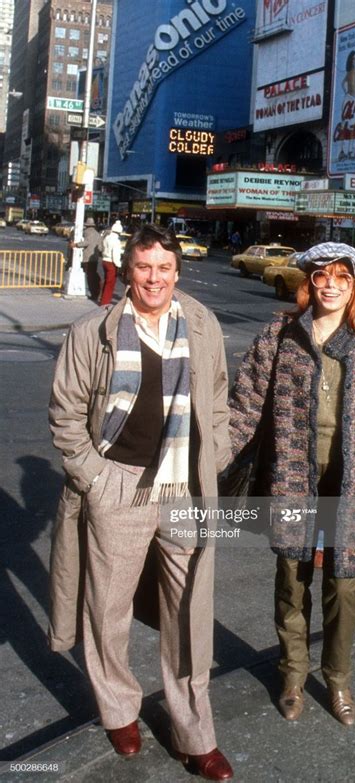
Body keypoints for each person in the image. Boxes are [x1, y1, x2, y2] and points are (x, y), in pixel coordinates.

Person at [49, 225, 234, 780]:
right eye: (144, 268)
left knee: (189, 615)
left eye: (164, 268)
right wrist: (95, 478)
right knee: (107, 608)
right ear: (128, 271)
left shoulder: (201, 323)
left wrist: (215, 454)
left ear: (177, 272)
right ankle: (119, 709)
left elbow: (219, 396)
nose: (154, 278)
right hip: (118, 485)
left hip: (185, 485)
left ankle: (195, 735)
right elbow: (66, 413)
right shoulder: (92, 331)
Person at [228, 242, 355, 726]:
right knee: (292, 584)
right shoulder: (280, 335)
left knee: (345, 590)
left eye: (340, 278)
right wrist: (208, 457)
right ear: (307, 283)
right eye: (320, 277)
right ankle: (292, 675)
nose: (329, 285)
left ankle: (338, 679)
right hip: (293, 480)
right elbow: (245, 405)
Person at [74, 216, 102, 301]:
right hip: (95, 257)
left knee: (89, 276)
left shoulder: (86, 232)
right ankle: (97, 292)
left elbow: (86, 242)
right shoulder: (97, 234)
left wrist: (76, 245)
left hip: (86, 257)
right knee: (93, 274)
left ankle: (93, 293)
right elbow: (100, 247)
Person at [100, 220, 123, 306]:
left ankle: (102, 298)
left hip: (104, 260)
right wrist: (119, 265)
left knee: (106, 281)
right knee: (110, 284)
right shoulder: (116, 241)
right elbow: (115, 256)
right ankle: (105, 302)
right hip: (111, 263)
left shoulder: (107, 238)